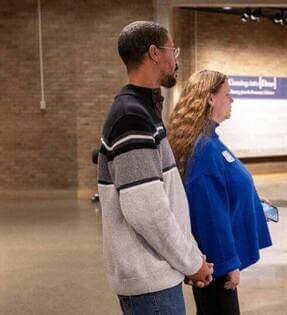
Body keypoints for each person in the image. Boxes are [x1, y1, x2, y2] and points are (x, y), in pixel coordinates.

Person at [96, 21, 213, 315]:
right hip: (151, 283)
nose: (176, 59)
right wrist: (191, 262)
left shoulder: (142, 110)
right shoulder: (131, 117)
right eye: (173, 50)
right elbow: (147, 211)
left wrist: (188, 257)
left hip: (159, 273)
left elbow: (164, 199)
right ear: (154, 53)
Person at [168, 70, 273, 315]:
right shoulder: (204, 149)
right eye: (228, 94)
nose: (232, 100)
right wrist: (227, 265)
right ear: (210, 99)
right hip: (216, 269)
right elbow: (209, 216)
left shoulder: (210, 140)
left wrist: (251, 201)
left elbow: (222, 186)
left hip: (215, 265)